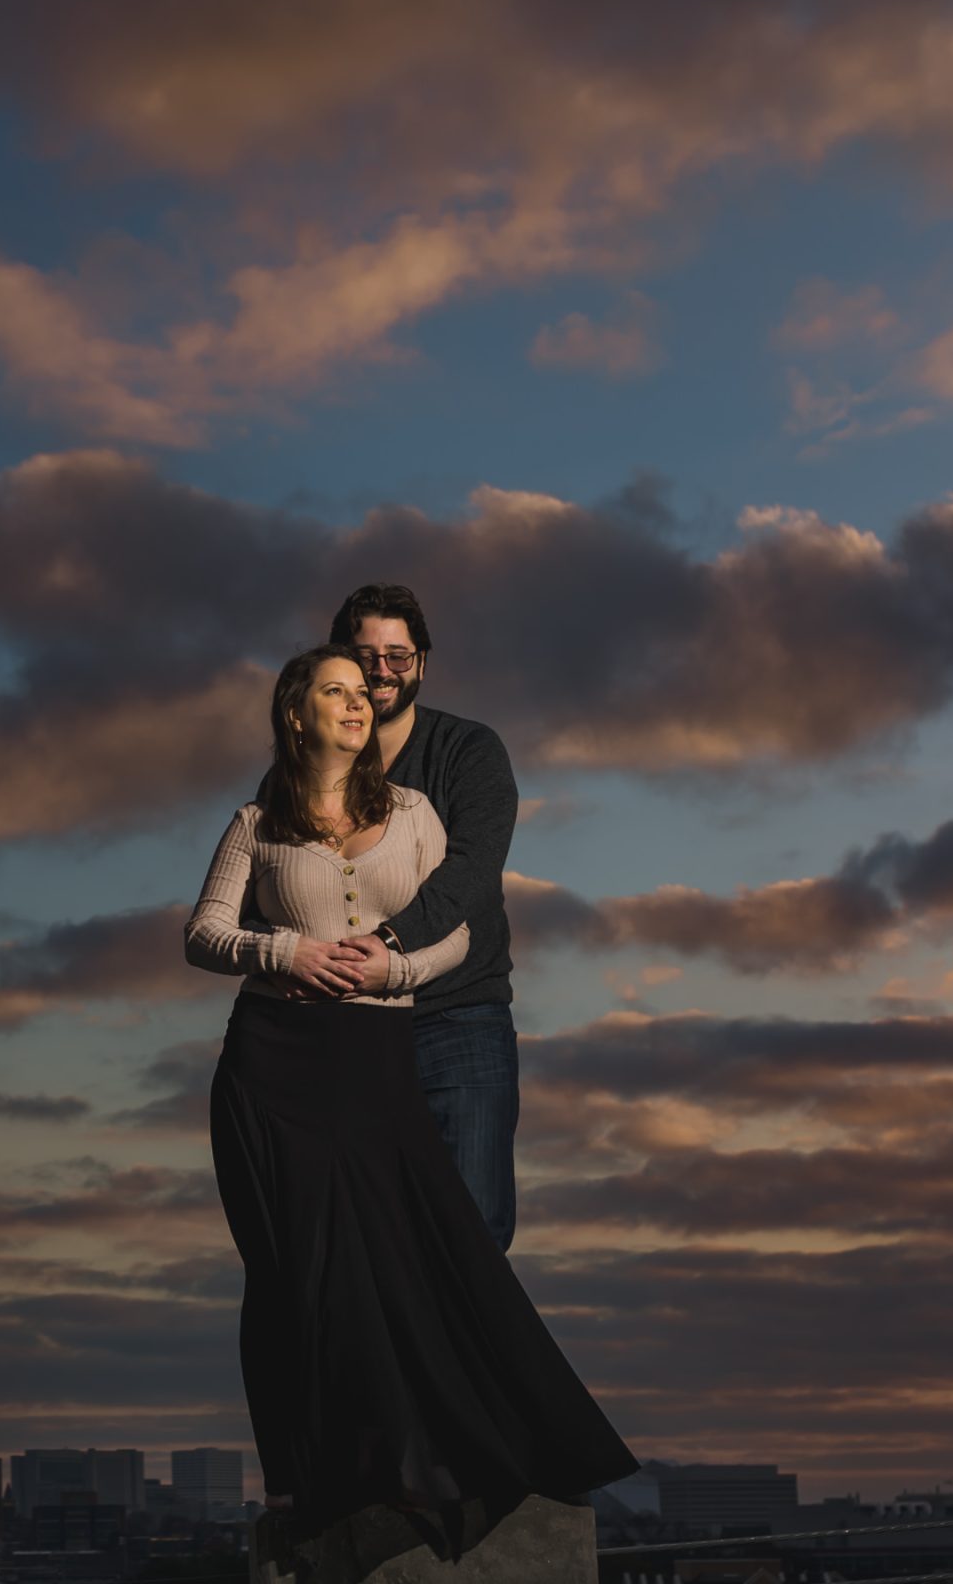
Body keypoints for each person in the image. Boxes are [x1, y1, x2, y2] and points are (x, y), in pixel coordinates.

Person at [187, 644, 635, 1559]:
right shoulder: (253, 823)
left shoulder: (416, 813)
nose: (357, 705)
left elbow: (462, 934)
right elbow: (204, 934)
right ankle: (317, 1475)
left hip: (377, 1054)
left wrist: (396, 966)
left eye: (364, 693)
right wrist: (285, 953)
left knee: (412, 1247)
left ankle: (447, 1452)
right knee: (297, 1270)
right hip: (271, 1067)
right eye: (336, 692)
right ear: (296, 713)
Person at [317, 584, 522, 1252]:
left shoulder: (469, 752)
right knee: (358, 1236)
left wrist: (388, 942)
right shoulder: (302, 772)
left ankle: (469, 1361)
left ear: (422, 664)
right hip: (343, 1026)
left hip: (458, 1016)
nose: (380, 670)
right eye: (363, 655)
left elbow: (469, 871)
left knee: (471, 1232)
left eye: (397, 656)